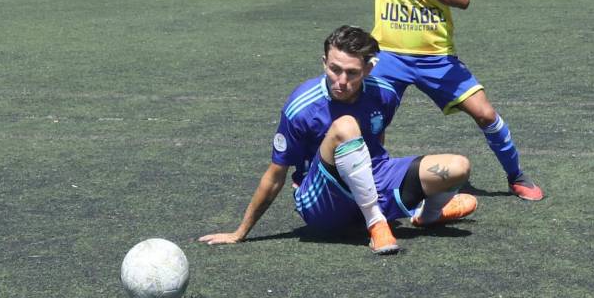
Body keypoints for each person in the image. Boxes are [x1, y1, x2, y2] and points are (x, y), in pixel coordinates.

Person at [305, 0, 544, 201]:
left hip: (436, 58)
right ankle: (339, 176)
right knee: (362, 114)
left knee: (485, 114)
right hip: (387, 54)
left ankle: (516, 175)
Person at [199, 25, 477, 254]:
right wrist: (240, 232)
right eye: (334, 69)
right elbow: (275, 175)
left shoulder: (385, 93)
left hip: (372, 176)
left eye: (352, 73)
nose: (341, 80)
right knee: (345, 126)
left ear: (368, 69)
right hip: (321, 200)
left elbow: (377, 138)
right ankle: (376, 224)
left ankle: (427, 216)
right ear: (324, 63)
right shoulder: (301, 106)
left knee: (458, 166)